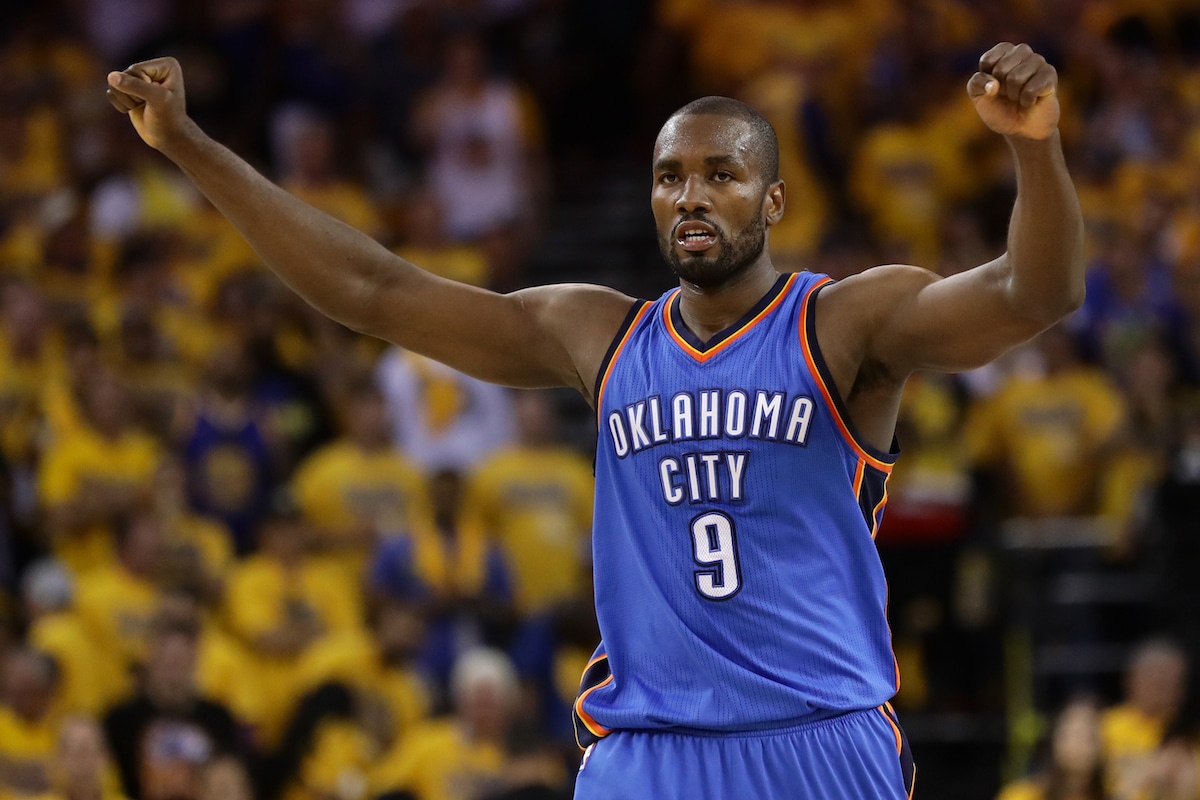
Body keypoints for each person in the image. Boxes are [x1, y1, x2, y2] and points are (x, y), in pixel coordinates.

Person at [105, 40, 1084, 799]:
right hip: (648, 748)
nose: (691, 195)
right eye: (669, 176)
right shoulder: (595, 332)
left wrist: (1033, 149)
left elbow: (1029, 293)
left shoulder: (847, 322)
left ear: (774, 197)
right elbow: (372, 288)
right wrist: (190, 145)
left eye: (720, 173)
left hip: (818, 732)